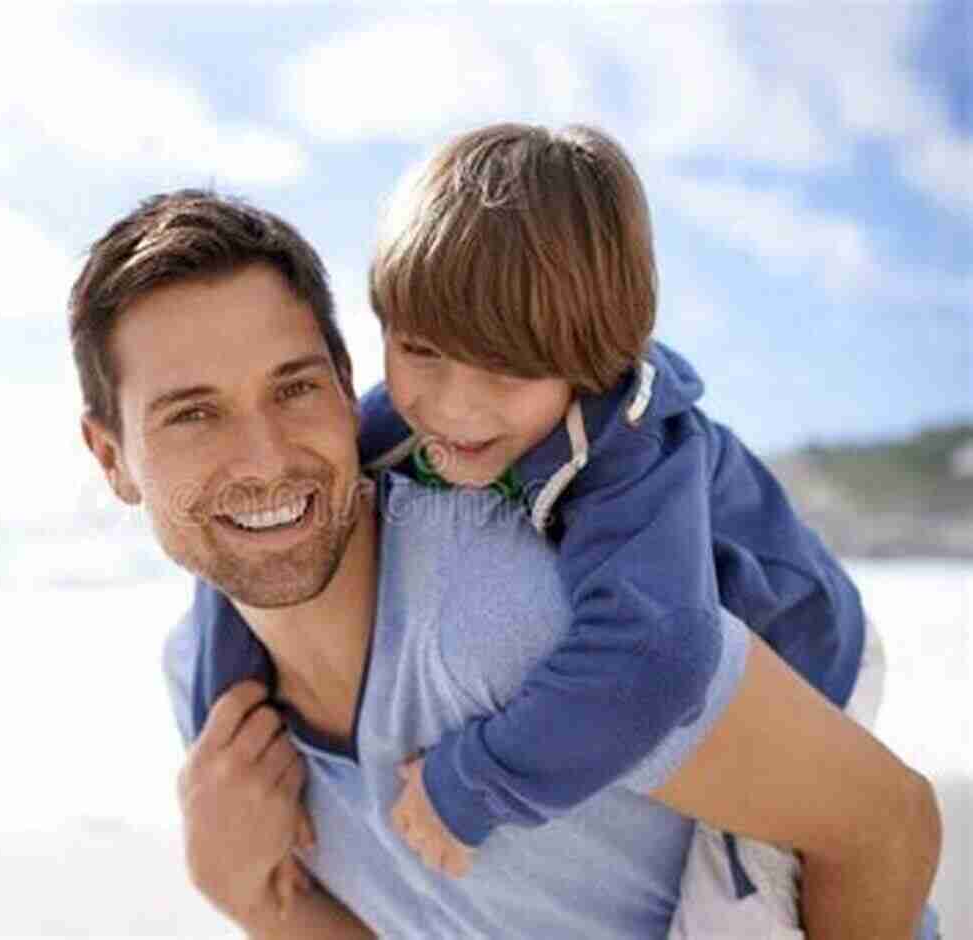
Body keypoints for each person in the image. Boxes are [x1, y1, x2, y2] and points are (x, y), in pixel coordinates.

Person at [70, 189, 941, 938]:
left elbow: (886, 826)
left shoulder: (516, 615)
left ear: (345, 385)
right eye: (193, 415)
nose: (262, 458)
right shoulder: (208, 687)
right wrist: (248, 897)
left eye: (295, 387)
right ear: (110, 457)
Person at [353, 122, 888, 930]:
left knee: (735, 912)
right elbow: (306, 496)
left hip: (805, 653)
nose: (451, 404)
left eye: (505, 367)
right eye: (419, 348)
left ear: (591, 359)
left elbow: (656, 654)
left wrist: (470, 784)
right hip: (681, 637)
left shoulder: (630, 450)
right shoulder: (404, 414)